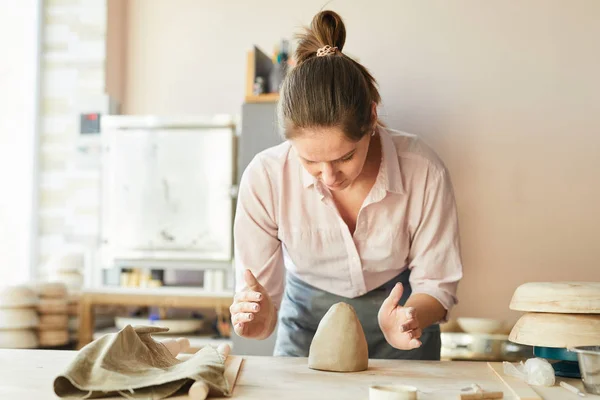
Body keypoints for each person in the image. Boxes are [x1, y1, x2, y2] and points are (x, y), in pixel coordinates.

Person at [230, 10, 463, 360]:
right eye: (309, 161)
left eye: (344, 157)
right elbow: (263, 310)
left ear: (371, 117)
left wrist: (410, 318)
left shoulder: (423, 171)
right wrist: (257, 320)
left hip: (400, 329)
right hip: (306, 329)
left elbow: (437, 284)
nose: (329, 177)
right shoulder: (265, 178)